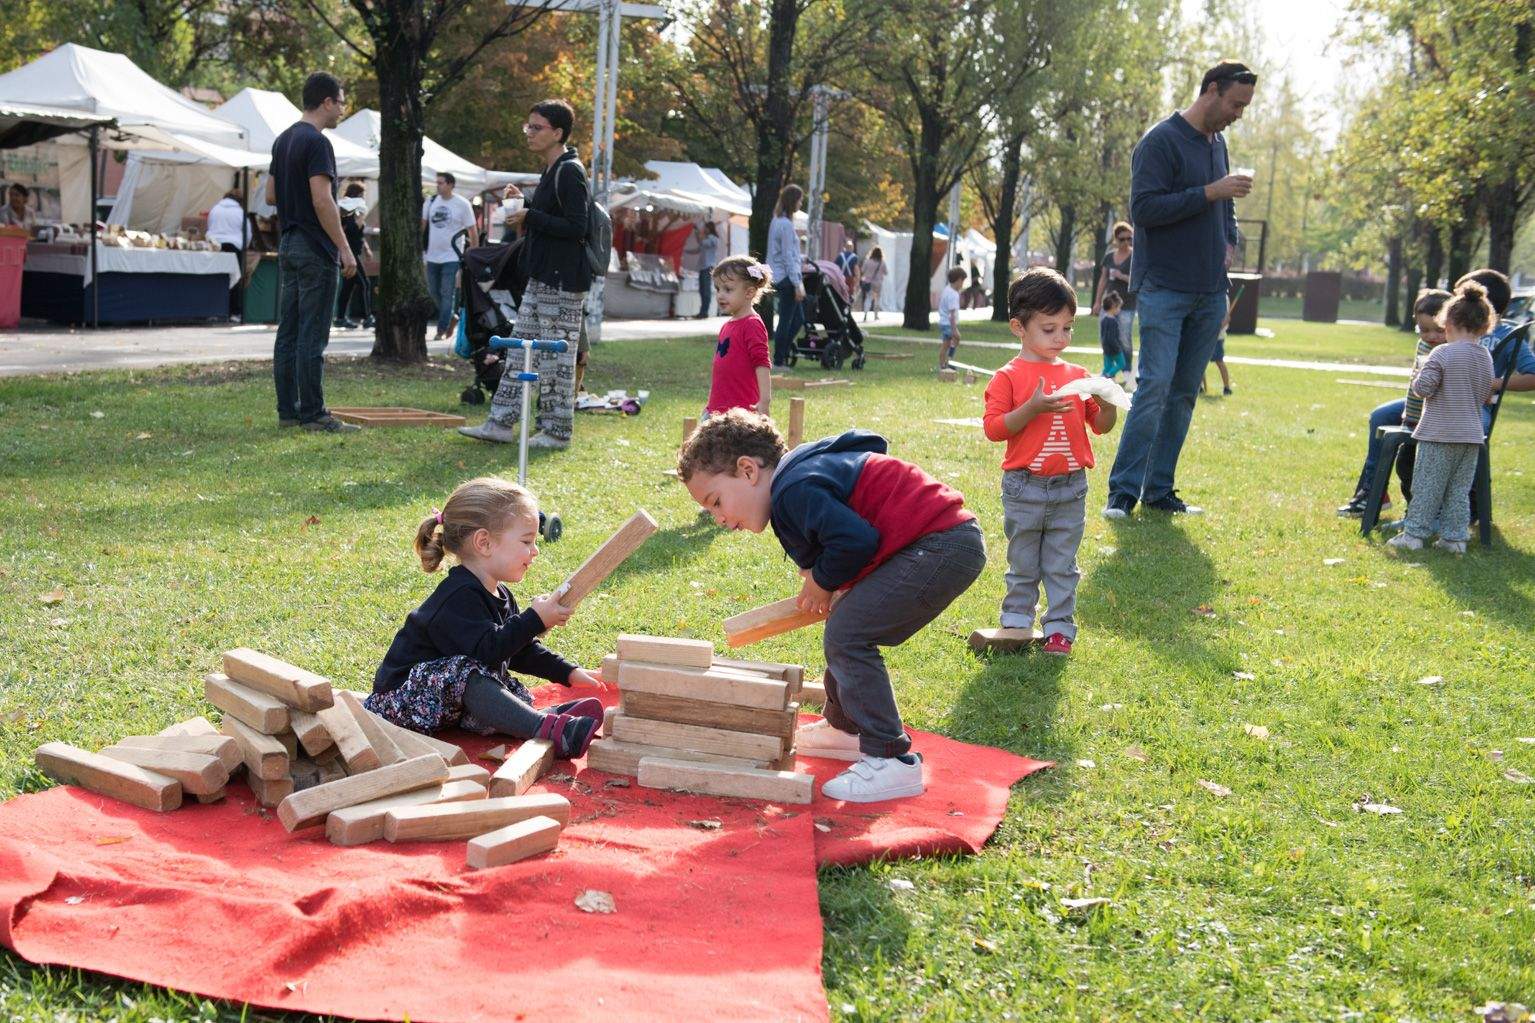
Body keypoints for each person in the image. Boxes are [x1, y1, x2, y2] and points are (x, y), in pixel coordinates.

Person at [678, 410, 985, 802]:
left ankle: (890, 759)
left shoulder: (794, 491)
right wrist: (824, 578)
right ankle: (846, 728)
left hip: (941, 546)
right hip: (935, 543)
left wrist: (822, 582)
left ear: (748, 470)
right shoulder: (797, 483)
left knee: (848, 635)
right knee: (845, 623)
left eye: (716, 502)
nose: (718, 518)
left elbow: (856, 541)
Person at [1102, 59, 1256, 519]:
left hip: (1209, 290)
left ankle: (1159, 490)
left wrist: (1228, 243)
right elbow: (1145, 210)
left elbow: (1225, 208)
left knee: (1185, 392)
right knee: (1154, 387)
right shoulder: (1160, 141)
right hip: (1164, 288)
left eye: (1244, 107)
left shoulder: (1218, 143)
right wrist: (1211, 191)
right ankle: (1122, 492)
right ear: (1211, 90)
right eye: (1235, 104)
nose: (1238, 115)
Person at [366, 476, 606, 756]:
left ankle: (543, 718)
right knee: (468, 673)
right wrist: (535, 619)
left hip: (447, 703)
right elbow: (487, 652)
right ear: (484, 543)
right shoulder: (458, 595)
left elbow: (518, 650)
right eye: (527, 541)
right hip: (401, 702)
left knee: (499, 682)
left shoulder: (499, 592)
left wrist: (567, 671)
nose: (535, 550)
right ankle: (544, 726)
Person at [983, 268, 1118, 657]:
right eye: (1049, 328)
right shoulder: (1008, 377)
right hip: (1024, 487)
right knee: (1023, 561)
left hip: (1070, 488)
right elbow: (994, 429)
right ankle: (1016, 623)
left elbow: (1100, 426)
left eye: (1068, 328)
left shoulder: (1078, 376)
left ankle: (1059, 629)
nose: (1061, 337)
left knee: (1062, 564)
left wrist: (1108, 405)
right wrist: (1032, 408)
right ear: (1018, 327)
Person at [1337, 268, 1532, 517]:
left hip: (1471, 407)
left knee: (1462, 432)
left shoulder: (1505, 336)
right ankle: (1372, 492)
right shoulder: (1450, 328)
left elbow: (1531, 375)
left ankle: (1459, 505)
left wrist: (1491, 383)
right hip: (1432, 400)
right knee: (1381, 415)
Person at [461, 99, 592, 449]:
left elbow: (577, 226)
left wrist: (529, 216)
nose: (529, 133)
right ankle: (500, 423)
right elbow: (554, 218)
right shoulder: (552, 170)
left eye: (536, 127)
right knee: (519, 351)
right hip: (541, 276)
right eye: (528, 126)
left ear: (558, 133)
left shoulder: (570, 170)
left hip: (562, 281)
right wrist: (527, 205)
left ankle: (556, 432)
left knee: (556, 359)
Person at [267, 71, 359, 433]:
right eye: (341, 103)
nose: (342, 110)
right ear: (327, 102)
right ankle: (314, 414)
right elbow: (323, 200)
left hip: (288, 241)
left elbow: (270, 195)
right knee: (312, 333)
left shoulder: (283, 140)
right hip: (314, 246)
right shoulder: (318, 143)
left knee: (288, 332)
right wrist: (345, 248)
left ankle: (288, 411)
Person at [1387, 282, 1496, 555]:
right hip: (1471, 436)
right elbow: (1486, 391)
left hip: (1439, 433)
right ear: (1484, 326)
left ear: (1448, 323)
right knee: (1458, 490)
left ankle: (1414, 535)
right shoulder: (1485, 356)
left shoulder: (1442, 353)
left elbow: (1424, 389)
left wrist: (1418, 376)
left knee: (1426, 487)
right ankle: (1455, 539)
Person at [705, 255, 774, 418]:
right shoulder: (726, 326)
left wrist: (764, 401)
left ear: (749, 292)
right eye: (718, 289)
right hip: (715, 410)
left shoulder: (752, 324)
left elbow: (762, 364)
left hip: (741, 414)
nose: (720, 295)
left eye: (728, 289)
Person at [422, 172, 477, 341]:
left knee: (447, 293)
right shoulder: (431, 201)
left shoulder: (462, 204)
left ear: (451, 184)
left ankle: (442, 329)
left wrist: (473, 255)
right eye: (437, 183)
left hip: (452, 256)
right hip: (432, 255)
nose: (438, 186)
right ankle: (452, 316)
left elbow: (472, 230)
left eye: (441, 183)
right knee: (433, 291)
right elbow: (422, 226)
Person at [766, 184, 805, 367]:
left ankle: (783, 352)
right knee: (787, 320)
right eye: (800, 200)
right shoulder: (787, 225)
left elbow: (780, 252)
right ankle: (779, 360)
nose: (801, 203)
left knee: (797, 319)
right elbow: (788, 256)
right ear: (792, 201)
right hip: (786, 278)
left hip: (777, 275)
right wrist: (797, 284)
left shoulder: (776, 221)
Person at [1092, 221, 1137, 374]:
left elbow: (1138, 280)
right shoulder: (1109, 256)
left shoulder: (1135, 256)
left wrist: (1121, 276)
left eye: (1129, 238)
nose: (1126, 242)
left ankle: (1126, 370)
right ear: (1116, 239)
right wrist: (1097, 302)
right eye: (1122, 239)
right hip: (1108, 305)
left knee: (1124, 338)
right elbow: (1103, 279)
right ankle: (1108, 369)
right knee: (1106, 338)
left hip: (1127, 305)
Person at [204, 189, 248, 322]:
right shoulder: (240, 212)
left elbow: (209, 227)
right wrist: (244, 246)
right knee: (234, 278)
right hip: (234, 246)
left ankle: (213, 311)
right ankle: (234, 312)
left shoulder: (215, 209)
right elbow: (248, 233)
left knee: (215, 278)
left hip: (215, 246)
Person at [335, 182, 373, 329]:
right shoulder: (349, 211)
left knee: (348, 286)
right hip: (347, 252)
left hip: (353, 251)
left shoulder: (355, 209)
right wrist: (361, 217)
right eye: (362, 195)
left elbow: (359, 234)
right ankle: (367, 317)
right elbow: (352, 229)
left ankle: (340, 318)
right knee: (364, 283)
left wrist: (366, 249)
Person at [938, 266, 966, 370]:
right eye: (962, 281)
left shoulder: (947, 289)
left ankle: (947, 362)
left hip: (944, 322)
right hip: (948, 324)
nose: (962, 284)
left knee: (949, 343)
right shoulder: (953, 295)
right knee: (948, 343)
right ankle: (945, 363)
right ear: (958, 280)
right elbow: (952, 315)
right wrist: (954, 330)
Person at [695, 221, 720, 318]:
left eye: (705, 227)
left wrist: (698, 233)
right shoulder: (708, 238)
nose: (704, 229)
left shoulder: (712, 238)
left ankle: (704, 312)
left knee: (706, 290)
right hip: (703, 266)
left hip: (708, 267)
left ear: (709, 228)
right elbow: (700, 245)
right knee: (702, 290)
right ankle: (703, 311)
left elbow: (702, 243)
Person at [1099, 291, 1126, 380]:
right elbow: (1112, 338)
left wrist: (1104, 346)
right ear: (1113, 307)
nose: (1119, 310)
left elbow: (1103, 336)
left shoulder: (1103, 320)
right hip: (1114, 348)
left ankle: (1102, 378)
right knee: (1121, 363)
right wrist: (1117, 348)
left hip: (1106, 348)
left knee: (1108, 366)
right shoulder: (1113, 321)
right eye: (1118, 307)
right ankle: (1108, 375)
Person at [860, 245, 886, 322]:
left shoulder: (867, 261)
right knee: (877, 299)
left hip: (869, 282)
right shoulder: (882, 262)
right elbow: (886, 272)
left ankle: (865, 315)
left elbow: (862, 270)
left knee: (868, 298)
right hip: (878, 283)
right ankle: (876, 315)